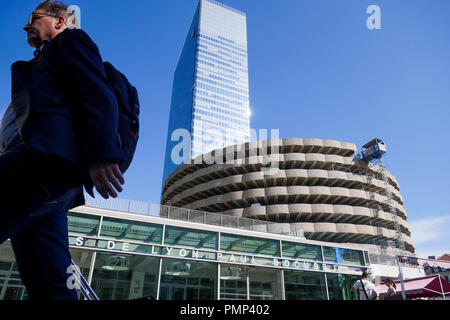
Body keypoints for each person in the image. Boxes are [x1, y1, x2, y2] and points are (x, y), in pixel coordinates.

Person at [0, 0, 125, 300]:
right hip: (50, 181)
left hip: (40, 164)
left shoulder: (69, 40)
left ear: (59, 21)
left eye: (34, 18)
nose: (26, 25)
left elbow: (95, 90)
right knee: (51, 282)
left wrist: (102, 153)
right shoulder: (45, 57)